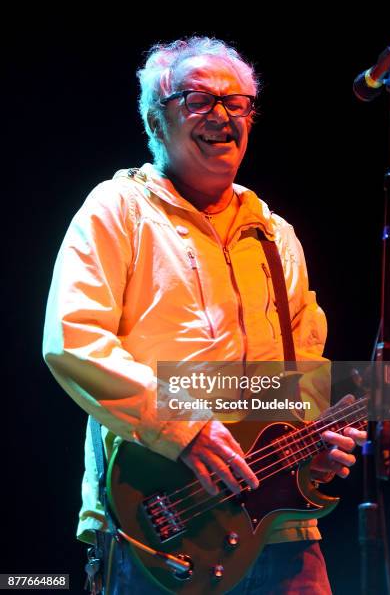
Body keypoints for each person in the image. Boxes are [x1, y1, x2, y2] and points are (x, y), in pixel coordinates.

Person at [43, 37, 366, 594]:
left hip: (282, 530)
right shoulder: (117, 209)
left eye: (236, 102)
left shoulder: (275, 234)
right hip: (162, 525)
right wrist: (184, 429)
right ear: (155, 119)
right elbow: (72, 342)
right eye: (198, 99)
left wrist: (316, 450)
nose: (222, 115)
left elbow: (300, 380)